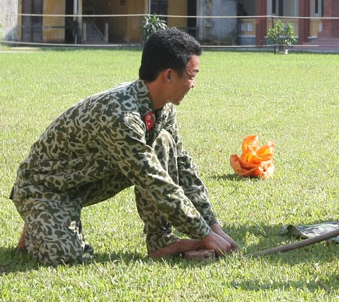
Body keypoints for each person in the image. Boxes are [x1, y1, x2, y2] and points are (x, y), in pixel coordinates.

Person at [10, 28, 238, 265]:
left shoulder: (164, 106)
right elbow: (153, 180)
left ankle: (161, 240)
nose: (193, 84)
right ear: (168, 75)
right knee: (69, 257)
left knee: (162, 141)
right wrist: (203, 233)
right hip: (46, 187)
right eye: (191, 75)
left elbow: (183, 166)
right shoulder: (122, 116)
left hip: (86, 179)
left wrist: (213, 226)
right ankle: (39, 215)